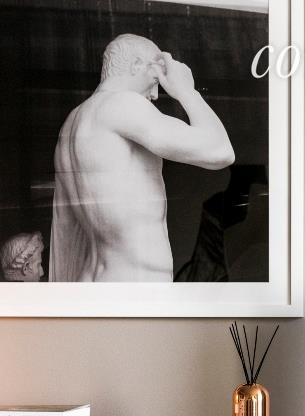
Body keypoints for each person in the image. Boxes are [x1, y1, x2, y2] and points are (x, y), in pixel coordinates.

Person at [50, 33, 235, 283]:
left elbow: (66, 227)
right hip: (134, 282)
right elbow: (220, 151)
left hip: (94, 278)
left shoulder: (72, 123)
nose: (156, 94)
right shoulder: (121, 104)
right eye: (155, 79)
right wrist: (186, 91)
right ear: (136, 65)